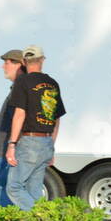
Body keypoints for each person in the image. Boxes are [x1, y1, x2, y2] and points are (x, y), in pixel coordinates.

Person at [5, 44, 65, 211]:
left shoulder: (22, 81)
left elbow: (19, 114)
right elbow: (56, 119)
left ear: (24, 62)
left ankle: (45, 217)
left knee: (14, 187)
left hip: (29, 141)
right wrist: (51, 145)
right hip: (46, 141)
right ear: (42, 60)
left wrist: (11, 144)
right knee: (35, 190)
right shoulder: (53, 84)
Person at [0, 49, 25, 207]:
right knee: (5, 186)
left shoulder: (19, 88)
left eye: (7, 62)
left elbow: (21, 116)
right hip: (7, 147)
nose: (3, 67)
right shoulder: (17, 88)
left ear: (18, 65)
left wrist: (12, 145)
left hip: (8, 149)